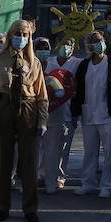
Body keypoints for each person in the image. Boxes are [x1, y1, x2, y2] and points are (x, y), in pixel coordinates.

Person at [0, 19, 49, 222]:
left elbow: (42, 95)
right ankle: (2, 206)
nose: (21, 38)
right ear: (10, 35)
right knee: (4, 161)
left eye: (25, 34)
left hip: (28, 109)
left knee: (29, 162)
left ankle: (30, 208)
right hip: (4, 108)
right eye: (17, 34)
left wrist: (42, 121)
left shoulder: (34, 61)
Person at [70, 30, 111, 199]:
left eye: (100, 40)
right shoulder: (84, 65)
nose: (98, 43)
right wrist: (75, 112)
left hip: (108, 116)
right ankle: (88, 183)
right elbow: (78, 90)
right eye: (95, 41)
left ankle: (107, 184)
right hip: (89, 114)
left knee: (109, 152)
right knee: (89, 152)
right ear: (90, 45)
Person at [40, 36, 81, 193]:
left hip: (66, 113)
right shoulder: (49, 62)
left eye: (69, 45)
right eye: (63, 44)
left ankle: (58, 178)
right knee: (43, 149)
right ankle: (41, 175)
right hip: (45, 112)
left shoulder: (77, 63)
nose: (66, 47)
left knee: (62, 148)